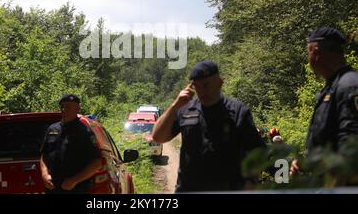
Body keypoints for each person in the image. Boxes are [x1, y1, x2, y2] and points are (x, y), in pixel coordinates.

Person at [152, 60, 266, 192]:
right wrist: (174, 105)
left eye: (206, 85)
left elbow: (256, 151)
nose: (202, 91)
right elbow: (158, 137)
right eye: (197, 86)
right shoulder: (185, 109)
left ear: (219, 82)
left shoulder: (238, 111)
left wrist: (251, 181)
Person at [291, 27, 358, 175]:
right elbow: (326, 141)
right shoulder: (331, 89)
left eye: (308, 52)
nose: (308, 58)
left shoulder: (349, 86)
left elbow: (351, 144)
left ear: (316, 52)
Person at [40, 94, 102, 194]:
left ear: (78, 108)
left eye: (68, 107)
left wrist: (74, 181)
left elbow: (96, 163)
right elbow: (44, 154)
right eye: (62, 107)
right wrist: (44, 174)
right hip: (52, 188)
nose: (64, 110)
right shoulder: (52, 129)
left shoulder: (84, 132)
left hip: (75, 189)